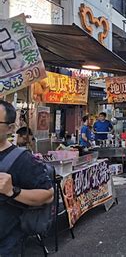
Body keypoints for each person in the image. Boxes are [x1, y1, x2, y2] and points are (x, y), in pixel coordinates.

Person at [0, 100, 54, 255]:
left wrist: (12, 191)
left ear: (10, 128)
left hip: (6, 245)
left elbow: (48, 195)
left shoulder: (22, 160)